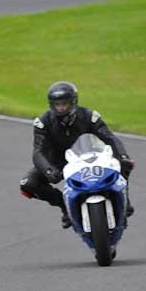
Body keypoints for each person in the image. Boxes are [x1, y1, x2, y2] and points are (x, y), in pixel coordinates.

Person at [20, 81, 135, 228]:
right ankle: (65, 206)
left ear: (73, 101)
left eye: (64, 103)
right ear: (51, 105)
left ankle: (124, 202)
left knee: (125, 164)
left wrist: (123, 156)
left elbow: (109, 138)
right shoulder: (43, 122)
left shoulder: (89, 116)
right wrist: (49, 170)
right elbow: (38, 151)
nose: (61, 108)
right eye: (57, 104)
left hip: (91, 156)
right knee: (28, 184)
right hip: (59, 161)